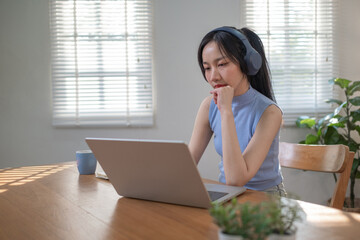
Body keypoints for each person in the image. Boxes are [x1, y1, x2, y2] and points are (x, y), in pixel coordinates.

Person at [188, 26, 286, 196]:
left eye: (222, 64)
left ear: (247, 64)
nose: (213, 76)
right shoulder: (208, 106)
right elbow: (186, 166)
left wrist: (226, 112)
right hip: (229, 196)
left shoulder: (269, 113)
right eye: (207, 68)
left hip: (265, 198)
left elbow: (236, 179)